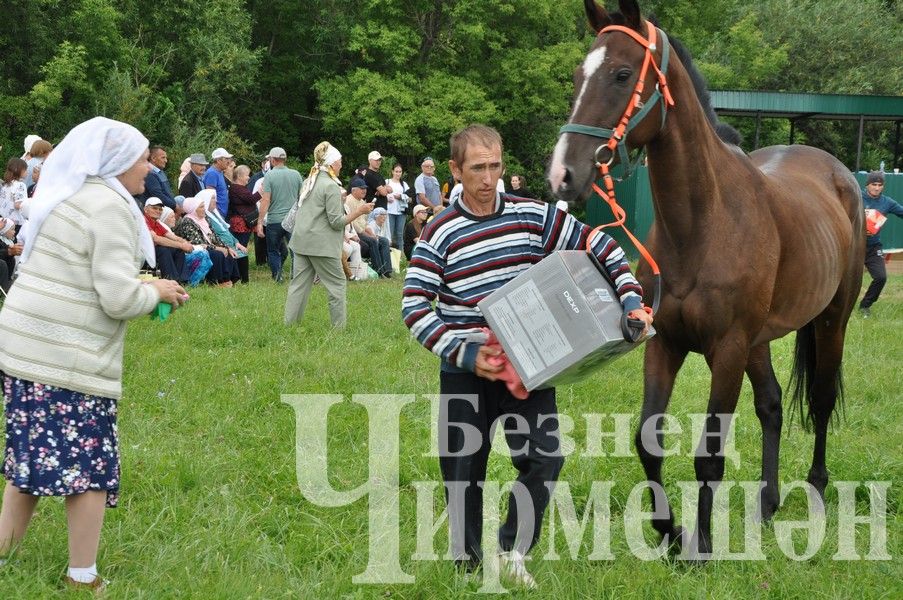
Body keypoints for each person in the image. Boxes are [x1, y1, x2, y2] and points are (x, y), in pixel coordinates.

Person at [402, 125, 652, 588]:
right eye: (477, 168)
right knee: (462, 471)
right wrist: (462, 351)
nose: (488, 177)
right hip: (467, 370)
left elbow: (599, 244)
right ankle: (467, 566)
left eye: (495, 165)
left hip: (532, 366)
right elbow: (415, 305)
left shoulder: (531, 216)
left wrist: (630, 297)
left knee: (545, 459)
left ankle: (512, 551)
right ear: (455, 170)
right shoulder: (439, 231)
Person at [0, 117, 186, 592]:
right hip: (64, 355)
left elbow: (86, 276)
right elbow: (117, 299)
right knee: (88, 467)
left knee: (30, 459)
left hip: (23, 344)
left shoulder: (74, 195)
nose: (150, 167)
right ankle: (82, 577)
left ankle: (3, 556)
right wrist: (159, 292)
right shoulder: (110, 208)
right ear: (120, 162)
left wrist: (142, 286)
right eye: (144, 158)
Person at [284, 142, 373, 327]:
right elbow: (336, 222)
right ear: (332, 163)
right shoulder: (331, 186)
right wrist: (360, 211)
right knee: (337, 285)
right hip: (321, 245)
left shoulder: (310, 180)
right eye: (340, 161)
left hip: (301, 241)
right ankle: (338, 329)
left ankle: (289, 325)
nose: (341, 164)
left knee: (298, 286)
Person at [255, 147, 303, 282]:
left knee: (273, 250)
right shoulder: (296, 174)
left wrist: (259, 222)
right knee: (296, 251)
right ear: (284, 159)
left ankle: (277, 277)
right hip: (293, 220)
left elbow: (266, 200)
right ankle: (296, 277)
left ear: (272, 160)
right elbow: (302, 197)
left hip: (274, 220)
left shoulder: (269, 176)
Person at [859, 170, 903, 317]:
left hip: (873, 247)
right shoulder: (857, 197)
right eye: (873, 184)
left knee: (881, 278)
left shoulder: (887, 202)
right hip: (854, 247)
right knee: (846, 279)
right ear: (867, 185)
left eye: (880, 185)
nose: (877, 188)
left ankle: (865, 305)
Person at [345, 177, 392, 278]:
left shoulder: (362, 202)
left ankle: (387, 270)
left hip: (363, 231)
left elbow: (365, 222)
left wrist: (371, 233)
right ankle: (379, 270)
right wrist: (367, 234)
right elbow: (352, 222)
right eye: (361, 188)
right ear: (354, 190)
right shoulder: (349, 201)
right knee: (372, 241)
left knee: (383, 240)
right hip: (354, 232)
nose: (364, 190)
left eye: (365, 188)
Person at [385, 163, 409, 250]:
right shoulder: (387, 182)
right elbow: (381, 194)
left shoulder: (404, 184)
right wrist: (387, 198)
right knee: (389, 233)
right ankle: (389, 255)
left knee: (400, 234)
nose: (398, 173)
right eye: (396, 171)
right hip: (389, 211)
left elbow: (410, 198)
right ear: (392, 172)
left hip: (401, 211)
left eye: (400, 172)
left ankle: (401, 258)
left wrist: (401, 197)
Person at [204, 147, 232, 216]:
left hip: (221, 213)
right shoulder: (212, 173)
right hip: (217, 214)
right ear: (219, 161)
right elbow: (210, 196)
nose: (229, 161)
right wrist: (217, 214)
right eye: (226, 159)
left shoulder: (219, 172)